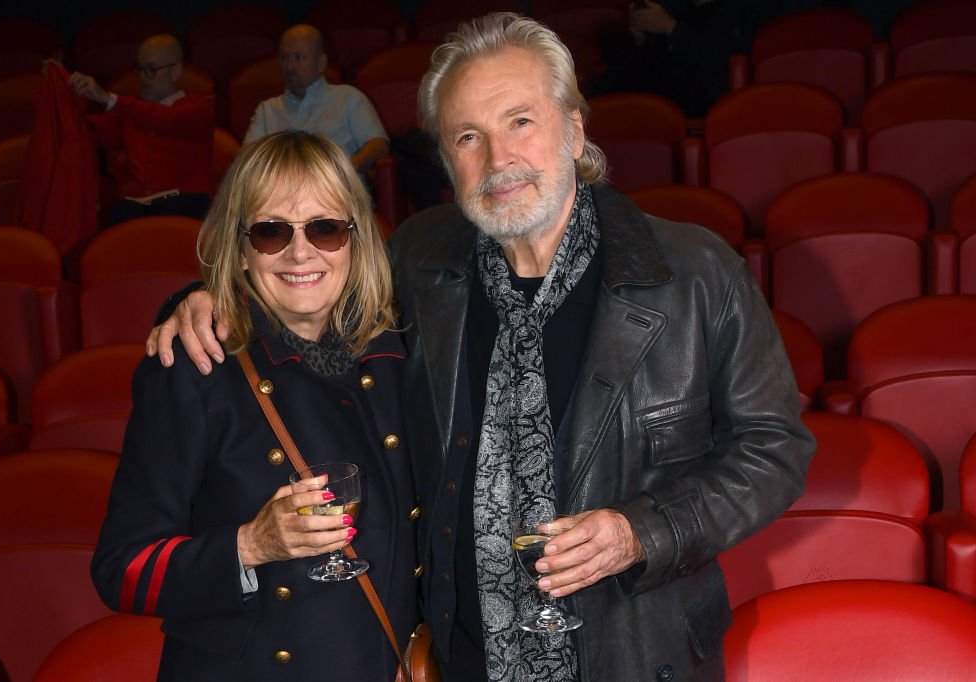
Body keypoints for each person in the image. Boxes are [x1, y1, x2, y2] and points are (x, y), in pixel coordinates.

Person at [147, 12, 815, 682]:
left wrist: (644, 531)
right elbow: (303, 280)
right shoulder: (418, 259)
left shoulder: (696, 273)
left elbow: (775, 450)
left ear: (575, 129)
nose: (499, 160)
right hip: (465, 657)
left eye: (520, 121)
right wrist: (210, 301)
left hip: (637, 652)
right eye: (469, 136)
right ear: (446, 158)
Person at [93, 130, 418, 680]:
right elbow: (122, 570)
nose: (299, 252)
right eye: (270, 232)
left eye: (326, 228)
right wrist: (249, 546)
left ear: (357, 239)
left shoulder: (400, 355)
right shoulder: (196, 368)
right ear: (238, 248)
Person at [69, 34, 214, 225]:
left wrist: (109, 99)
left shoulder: (198, 108)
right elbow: (86, 131)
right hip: (135, 207)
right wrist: (67, 92)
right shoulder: (131, 113)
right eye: (140, 69)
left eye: (151, 70)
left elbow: (164, 119)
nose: (144, 77)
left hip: (183, 204)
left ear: (175, 71)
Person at [244, 24, 390, 178]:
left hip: (338, 193)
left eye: (298, 58)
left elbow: (379, 145)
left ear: (321, 63)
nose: (289, 66)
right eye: (284, 57)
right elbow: (247, 160)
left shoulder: (348, 97)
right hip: (283, 194)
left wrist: (344, 173)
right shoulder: (267, 110)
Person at [596, 1, 760, 117]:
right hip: (655, 100)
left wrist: (670, 27)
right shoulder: (675, 8)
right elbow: (649, 63)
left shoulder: (737, 12)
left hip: (701, 105)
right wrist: (640, 38)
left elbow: (718, 59)